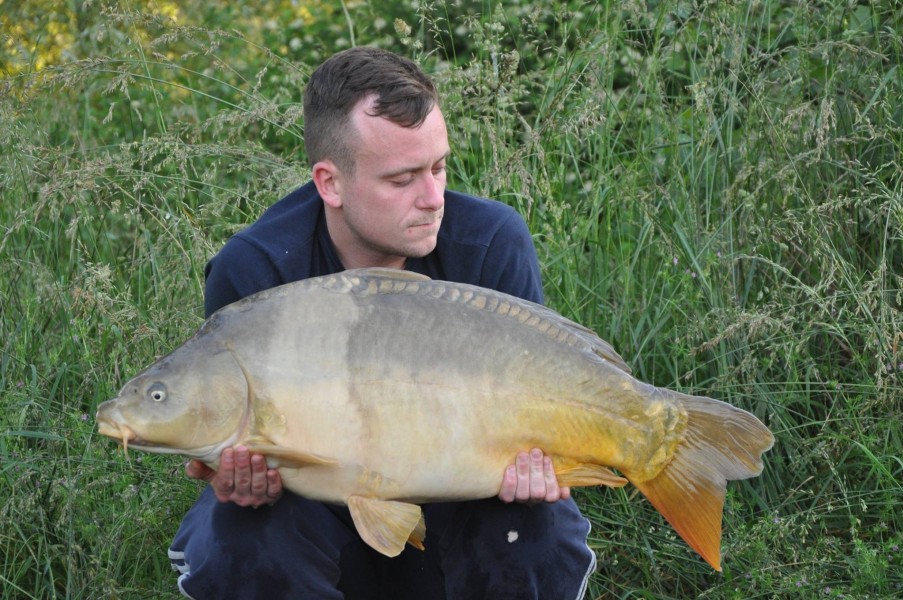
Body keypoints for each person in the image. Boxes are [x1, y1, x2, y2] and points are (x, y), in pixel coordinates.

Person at [168, 46, 596, 600]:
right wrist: (245, 479)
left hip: (461, 497)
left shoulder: (490, 243)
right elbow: (239, 444)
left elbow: (538, 399)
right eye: (403, 179)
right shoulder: (258, 269)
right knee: (240, 536)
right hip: (318, 509)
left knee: (535, 528)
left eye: (439, 167)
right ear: (330, 183)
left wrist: (540, 467)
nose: (433, 198)